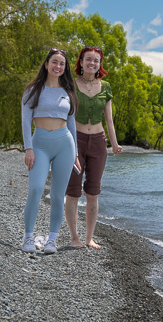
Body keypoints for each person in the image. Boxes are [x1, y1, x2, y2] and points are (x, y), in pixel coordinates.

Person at [21, 48, 80, 254]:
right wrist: (28, 148)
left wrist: (76, 155)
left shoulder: (68, 92)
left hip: (65, 144)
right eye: (54, 62)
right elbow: (26, 120)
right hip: (39, 144)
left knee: (57, 194)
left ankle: (52, 240)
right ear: (46, 64)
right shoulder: (32, 90)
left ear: (65, 68)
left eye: (62, 64)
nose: (58, 67)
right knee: (36, 189)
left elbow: (72, 125)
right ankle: (28, 237)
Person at [65, 46, 122, 249]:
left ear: (100, 65)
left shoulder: (105, 86)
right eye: (88, 59)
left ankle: (89, 238)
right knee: (73, 190)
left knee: (93, 191)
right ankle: (74, 238)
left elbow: (109, 120)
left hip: (98, 142)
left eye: (96, 60)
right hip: (75, 141)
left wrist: (114, 144)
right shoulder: (70, 84)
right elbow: (65, 114)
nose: (92, 63)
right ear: (81, 62)